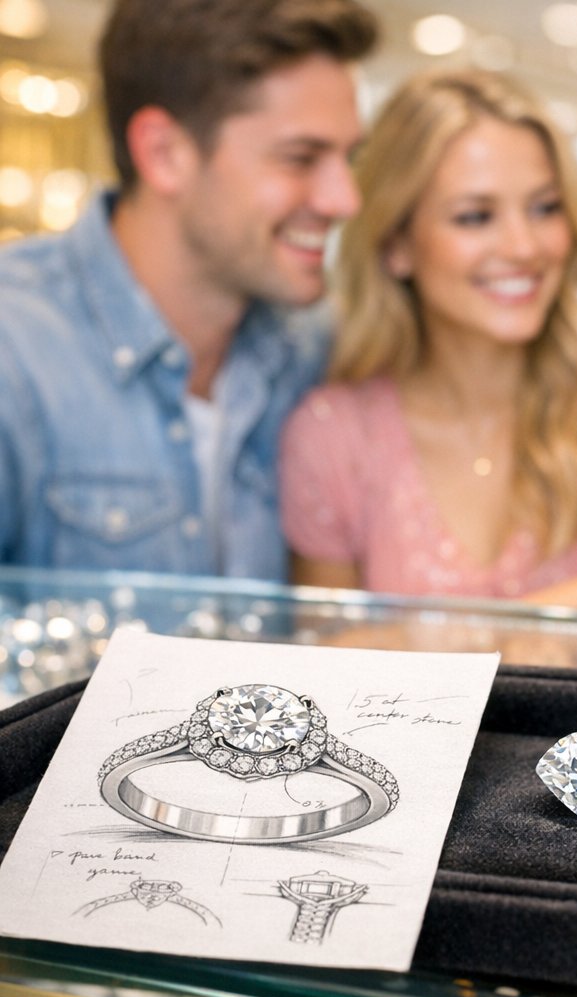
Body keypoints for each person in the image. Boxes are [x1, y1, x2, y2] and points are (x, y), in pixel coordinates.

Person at [280, 67, 577, 607]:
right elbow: (334, 673)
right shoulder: (332, 435)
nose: (523, 246)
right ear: (396, 245)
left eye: (545, 208)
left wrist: (413, 650)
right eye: (475, 217)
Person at [0, 0, 377, 580]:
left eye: (348, 158)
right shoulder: (17, 351)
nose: (344, 200)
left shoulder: (319, 351)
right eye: (301, 158)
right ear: (164, 153)